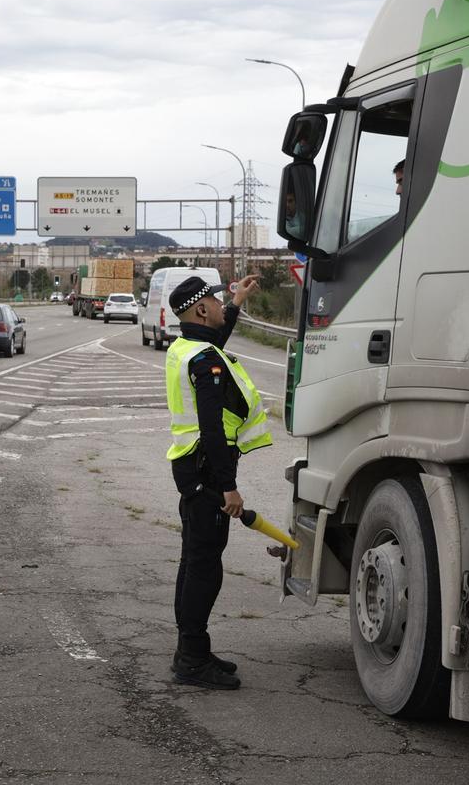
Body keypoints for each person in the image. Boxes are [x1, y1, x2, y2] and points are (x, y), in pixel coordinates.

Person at [165, 274, 272, 690]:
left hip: (192, 468)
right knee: (204, 566)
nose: (219, 304)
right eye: (215, 300)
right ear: (202, 309)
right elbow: (211, 427)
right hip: (208, 468)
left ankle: (191, 650)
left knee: (194, 561)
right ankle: (191, 660)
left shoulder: (188, 349)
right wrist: (228, 487)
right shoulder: (203, 360)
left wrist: (238, 302)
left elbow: (216, 340)